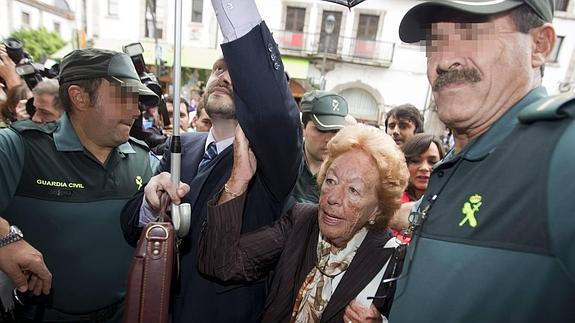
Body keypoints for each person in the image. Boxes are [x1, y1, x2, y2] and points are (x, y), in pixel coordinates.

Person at [389, 1, 575, 322]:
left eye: (471, 33)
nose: (444, 61)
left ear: (539, 45)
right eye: (434, 42)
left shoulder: (562, 151)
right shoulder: (458, 161)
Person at [120, 0, 302, 321]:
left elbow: (274, 111)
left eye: (236, 71)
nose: (224, 76)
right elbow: (129, 225)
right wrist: (151, 204)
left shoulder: (271, 160)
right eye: (219, 68)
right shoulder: (180, 148)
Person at [0, 48, 159, 322]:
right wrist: (5, 238)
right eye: (124, 98)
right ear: (80, 96)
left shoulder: (144, 161)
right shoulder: (20, 147)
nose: (135, 110)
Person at [198, 124, 408, 322]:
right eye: (331, 181)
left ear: (377, 209)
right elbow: (219, 264)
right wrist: (239, 179)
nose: (333, 197)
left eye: (353, 190)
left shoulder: (392, 259)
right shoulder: (301, 221)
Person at [290, 90, 349, 205]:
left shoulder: (347, 173)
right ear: (303, 128)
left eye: (336, 131)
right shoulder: (282, 163)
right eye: (321, 130)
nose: (330, 139)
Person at [400, 134, 445, 202]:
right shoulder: (391, 205)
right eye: (415, 161)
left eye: (433, 162)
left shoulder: (452, 203)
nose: (424, 168)